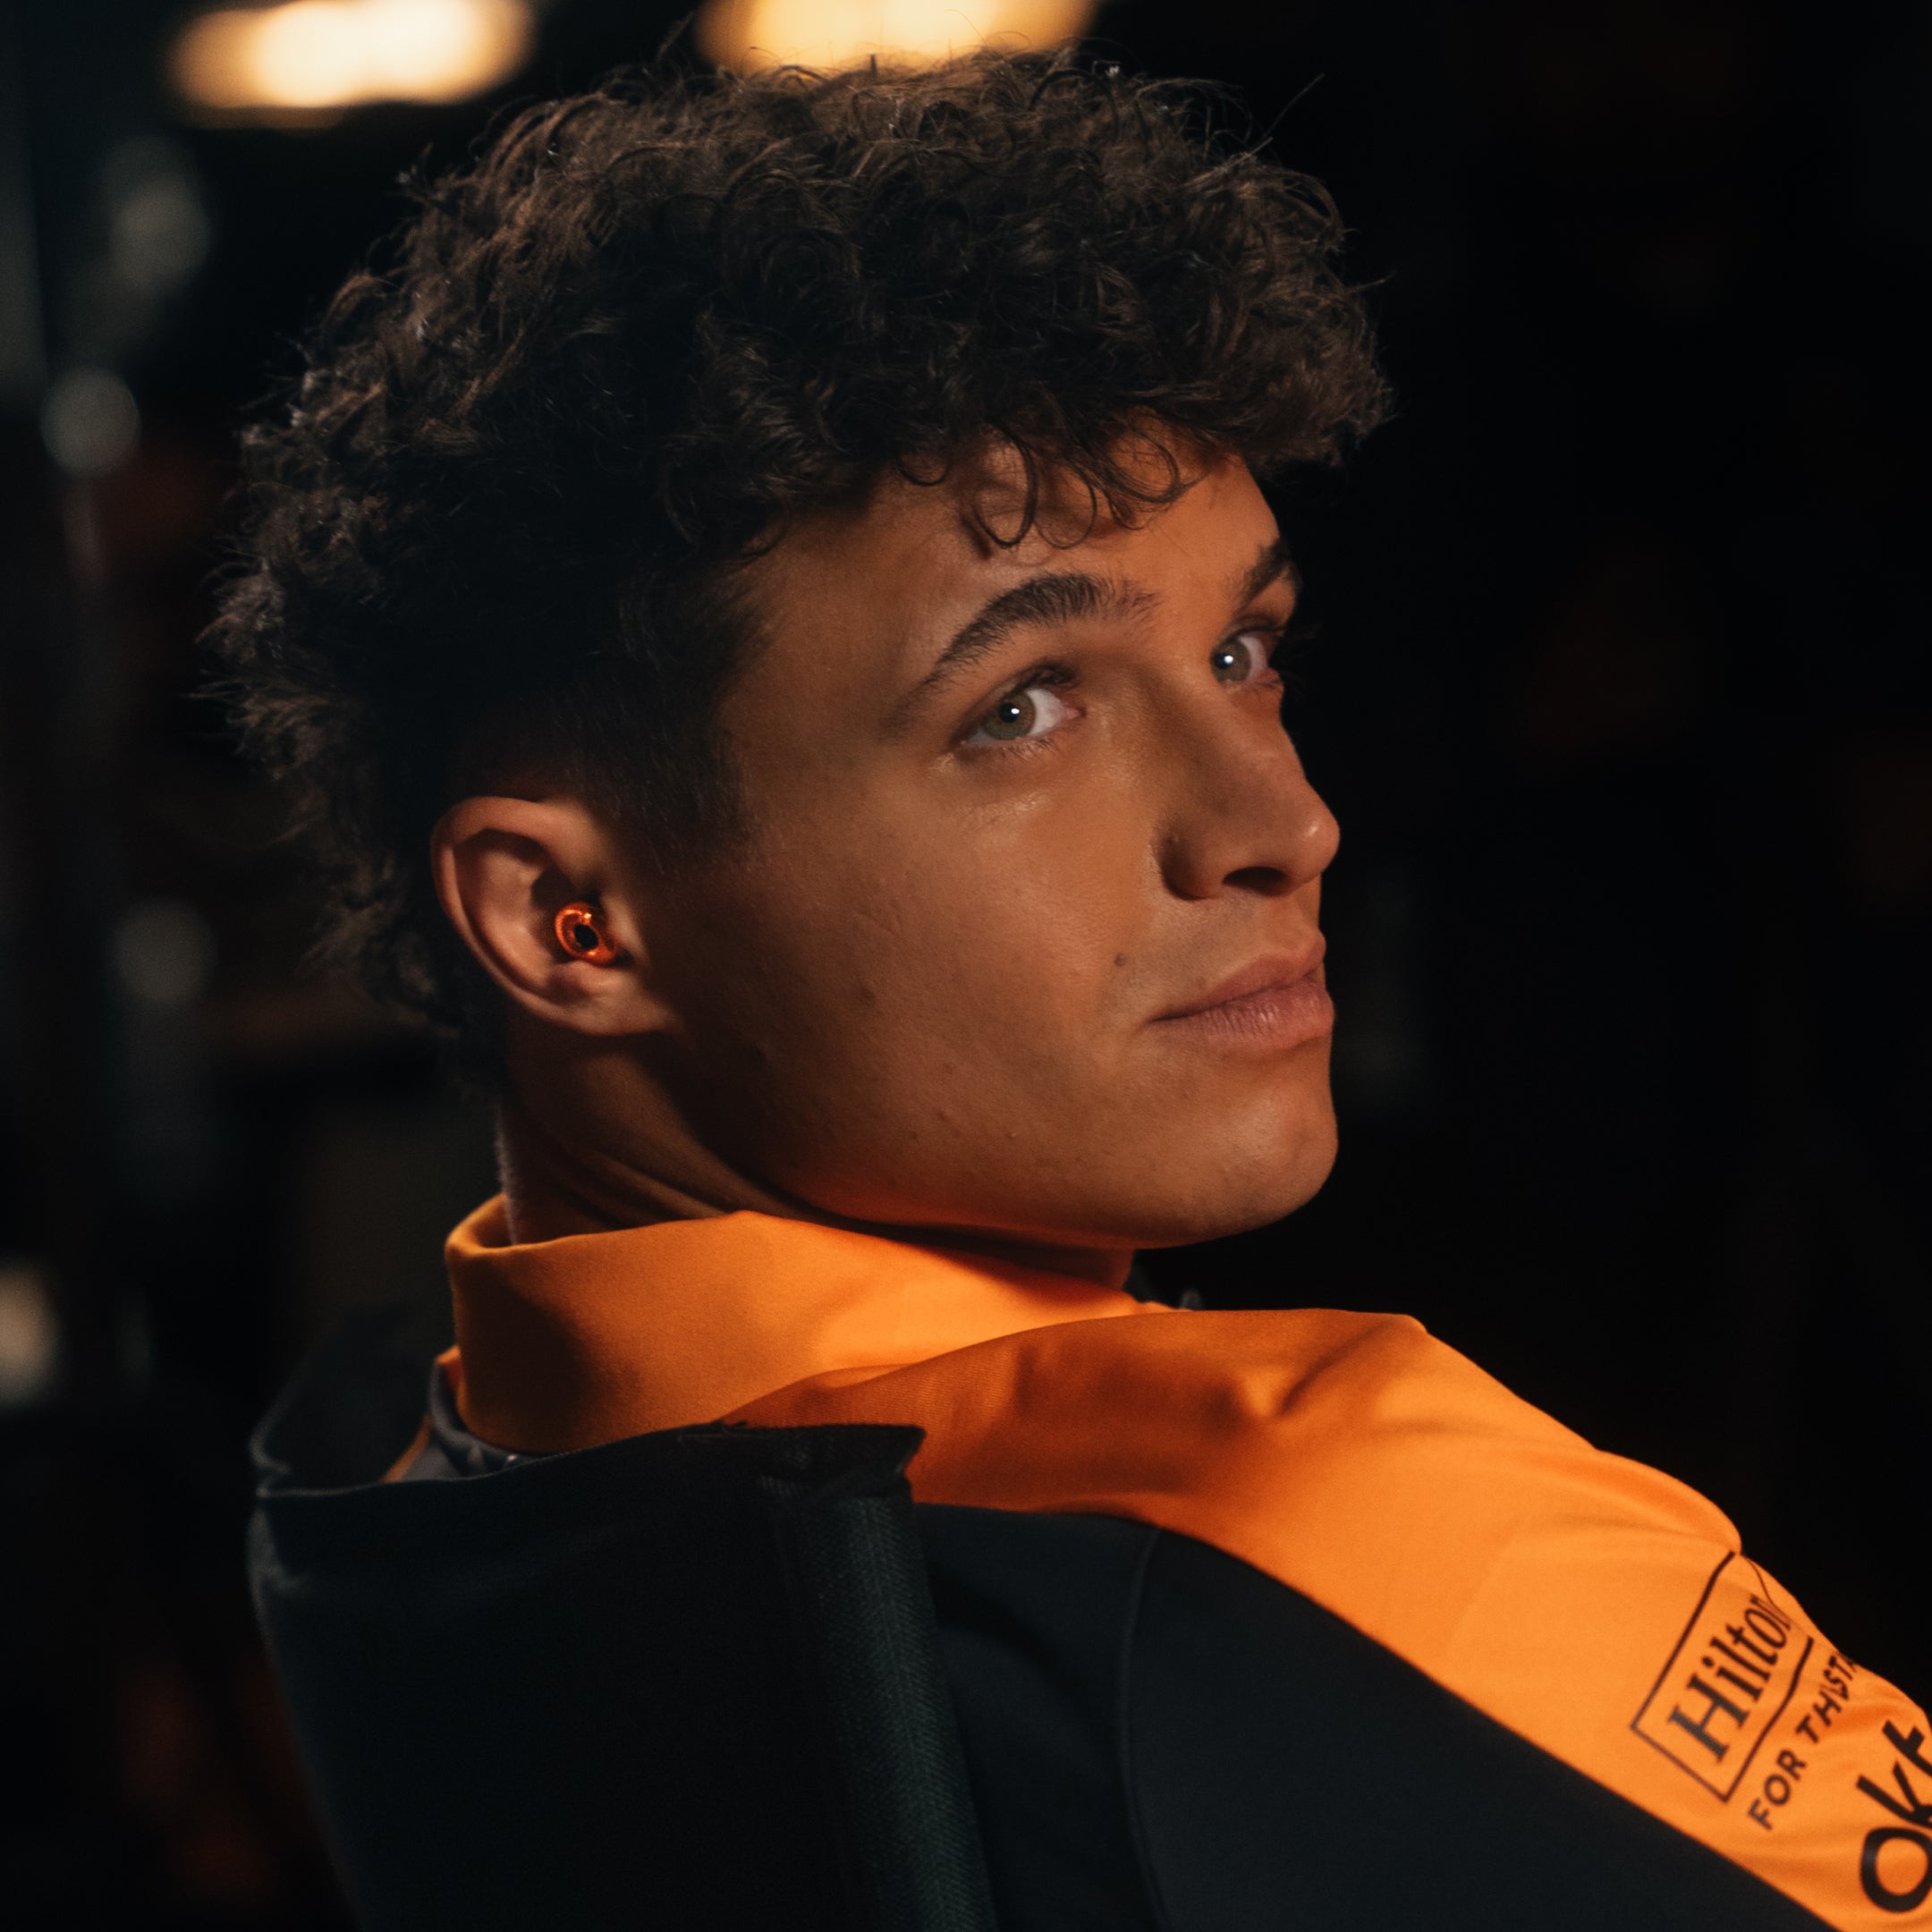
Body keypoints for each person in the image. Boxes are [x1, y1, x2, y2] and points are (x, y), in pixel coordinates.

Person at [217, 48, 1931, 1931]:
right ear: (571, 920)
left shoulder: (404, 1490)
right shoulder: (1318, 1515)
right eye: (1022, 710)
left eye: (1245, 649)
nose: (1285, 823)